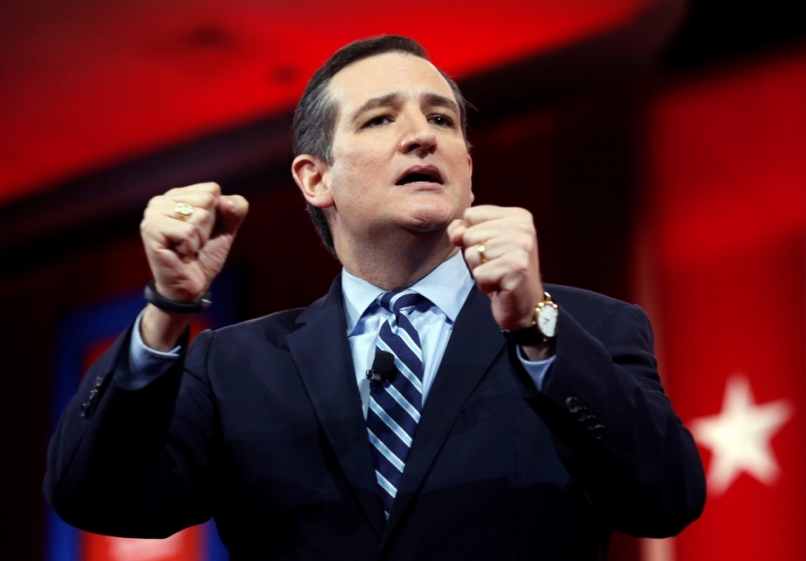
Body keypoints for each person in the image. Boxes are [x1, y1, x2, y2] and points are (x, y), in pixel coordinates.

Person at [45, 35, 705, 560]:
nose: (422, 134)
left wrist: (535, 326)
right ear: (315, 178)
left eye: (441, 118)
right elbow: (93, 495)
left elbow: (667, 497)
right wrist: (165, 309)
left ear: (467, 168)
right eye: (381, 118)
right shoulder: (234, 366)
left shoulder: (585, 327)